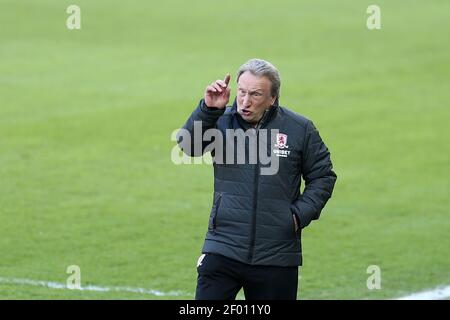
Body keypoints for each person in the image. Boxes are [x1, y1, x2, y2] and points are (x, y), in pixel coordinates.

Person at [177, 58, 337, 300]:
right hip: (223, 246)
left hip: (276, 255)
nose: (245, 101)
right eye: (241, 92)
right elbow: (189, 146)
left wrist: (296, 216)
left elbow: (323, 176)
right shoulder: (219, 121)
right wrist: (208, 109)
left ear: (272, 98)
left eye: (255, 94)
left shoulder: (299, 129)